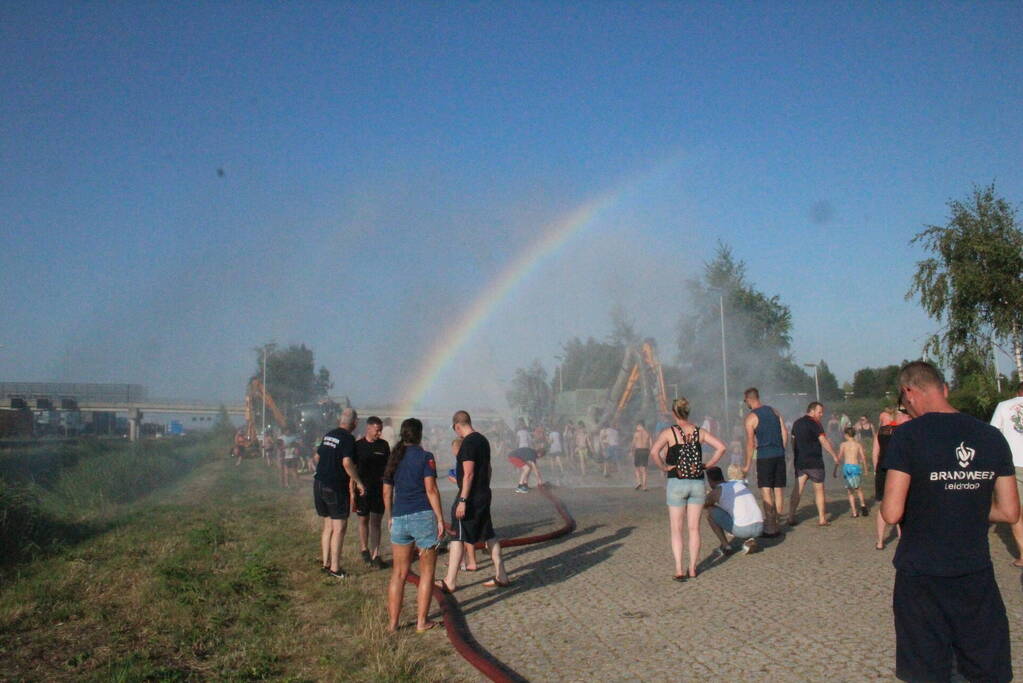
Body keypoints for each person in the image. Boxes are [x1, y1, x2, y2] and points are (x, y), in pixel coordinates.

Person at [881, 361, 1018, 682]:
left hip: (921, 575)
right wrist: (965, 502)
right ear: (944, 389)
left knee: (927, 670)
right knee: (983, 666)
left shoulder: (908, 436)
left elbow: (891, 512)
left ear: (909, 393)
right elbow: (1010, 512)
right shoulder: (990, 436)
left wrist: (939, 498)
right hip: (974, 571)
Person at [650, 397, 726, 581]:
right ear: (688, 412)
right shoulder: (700, 432)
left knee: (676, 529)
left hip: (676, 481)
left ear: (674, 413)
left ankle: (679, 568)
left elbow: (654, 452)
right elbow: (722, 447)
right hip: (697, 482)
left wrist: (664, 468)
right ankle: (692, 568)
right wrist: (707, 465)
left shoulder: (669, 433)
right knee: (694, 529)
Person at [382, 418, 444, 633]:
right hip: (423, 517)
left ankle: (392, 624)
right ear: (419, 435)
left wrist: (390, 516)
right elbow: (431, 490)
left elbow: (387, 492)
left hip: (399, 518)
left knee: (398, 573)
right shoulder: (426, 457)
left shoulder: (393, 459)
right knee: (427, 572)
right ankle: (421, 622)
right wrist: (440, 519)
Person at [439, 410, 510, 592]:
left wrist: (463, 499)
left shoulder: (468, 444)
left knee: (457, 535)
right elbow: (488, 468)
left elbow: (468, 473)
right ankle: (502, 575)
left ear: (457, 426)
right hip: (483, 493)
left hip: (470, 497)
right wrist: (484, 486)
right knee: (489, 533)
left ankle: (450, 581)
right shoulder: (483, 440)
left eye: (455, 429)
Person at [313, 408, 365, 579]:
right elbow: (347, 462)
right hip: (335, 486)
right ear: (355, 423)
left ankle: (325, 563)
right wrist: (358, 482)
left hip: (319, 483)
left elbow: (316, 457)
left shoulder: (329, 434)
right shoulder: (348, 439)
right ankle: (335, 569)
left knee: (327, 526)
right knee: (339, 527)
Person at [741, 388, 787, 537]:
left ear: (748, 399)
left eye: (745, 401)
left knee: (766, 489)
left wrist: (747, 465)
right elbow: (784, 431)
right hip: (779, 454)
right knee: (778, 489)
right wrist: (782, 448)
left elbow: (750, 443)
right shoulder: (774, 411)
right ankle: (778, 524)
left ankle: (770, 527)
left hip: (764, 456)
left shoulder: (751, 417)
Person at [787, 402, 841, 527]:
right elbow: (823, 440)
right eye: (819, 412)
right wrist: (834, 455)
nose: (821, 415)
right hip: (815, 462)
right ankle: (822, 519)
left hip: (800, 462)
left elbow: (792, 441)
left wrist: (795, 455)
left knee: (797, 490)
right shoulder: (815, 423)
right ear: (812, 410)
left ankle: (790, 517)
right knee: (819, 490)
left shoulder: (796, 423)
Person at [990, 381, 1023, 568]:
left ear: (1017, 392)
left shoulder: (1004, 406)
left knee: (1015, 510)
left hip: (1013, 463)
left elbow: (993, 434)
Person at [354, 416, 391, 569]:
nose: (379, 433)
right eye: (377, 430)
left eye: (380, 430)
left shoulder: (384, 445)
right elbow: (353, 470)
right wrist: (352, 491)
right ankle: (364, 549)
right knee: (363, 520)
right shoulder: (358, 446)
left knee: (376, 522)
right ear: (368, 428)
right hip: (362, 489)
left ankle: (376, 555)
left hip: (378, 489)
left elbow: (389, 467)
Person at [704, 465, 764, 556]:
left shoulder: (716, 491)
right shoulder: (738, 484)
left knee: (710, 511)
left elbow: (704, 504)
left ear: (710, 481)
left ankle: (726, 546)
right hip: (760, 527)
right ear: (722, 476)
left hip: (743, 529)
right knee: (738, 511)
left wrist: (707, 495)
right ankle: (749, 540)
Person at [873, 404, 911, 550]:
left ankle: (880, 541)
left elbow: (875, 453)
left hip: (882, 470)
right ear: (901, 416)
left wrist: (877, 471)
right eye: (908, 416)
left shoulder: (882, 431)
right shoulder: (905, 431)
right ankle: (902, 537)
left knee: (883, 504)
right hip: (899, 471)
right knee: (903, 502)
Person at [447, 437, 478, 571]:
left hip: (465, 498)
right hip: (470, 496)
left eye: (453, 448)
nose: (452, 451)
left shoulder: (463, 460)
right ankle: (467, 561)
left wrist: (454, 479)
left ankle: (464, 561)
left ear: (457, 448)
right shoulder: (468, 459)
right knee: (465, 531)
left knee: (460, 532)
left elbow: (465, 479)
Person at [835, 427, 868, 517]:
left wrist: (835, 469)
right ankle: (863, 505)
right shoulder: (858, 445)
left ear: (846, 435)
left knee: (850, 491)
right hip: (856, 467)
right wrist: (866, 469)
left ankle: (854, 512)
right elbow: (863, 458)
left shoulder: (843, 445)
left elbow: (839, 458)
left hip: (848, 468)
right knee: (858, 488)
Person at [630, 419, 652, 491]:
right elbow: (651, 444)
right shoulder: (648, 433)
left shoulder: (636, 434)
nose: (636, 427)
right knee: (644, 469)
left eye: (637, 425)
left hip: (638, 450)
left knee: (637, 468)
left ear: (640, 425)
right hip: (645, 451)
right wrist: (650, 452)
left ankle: (639, 482)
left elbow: (633, 443)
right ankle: (644, 486)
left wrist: (631, 451)